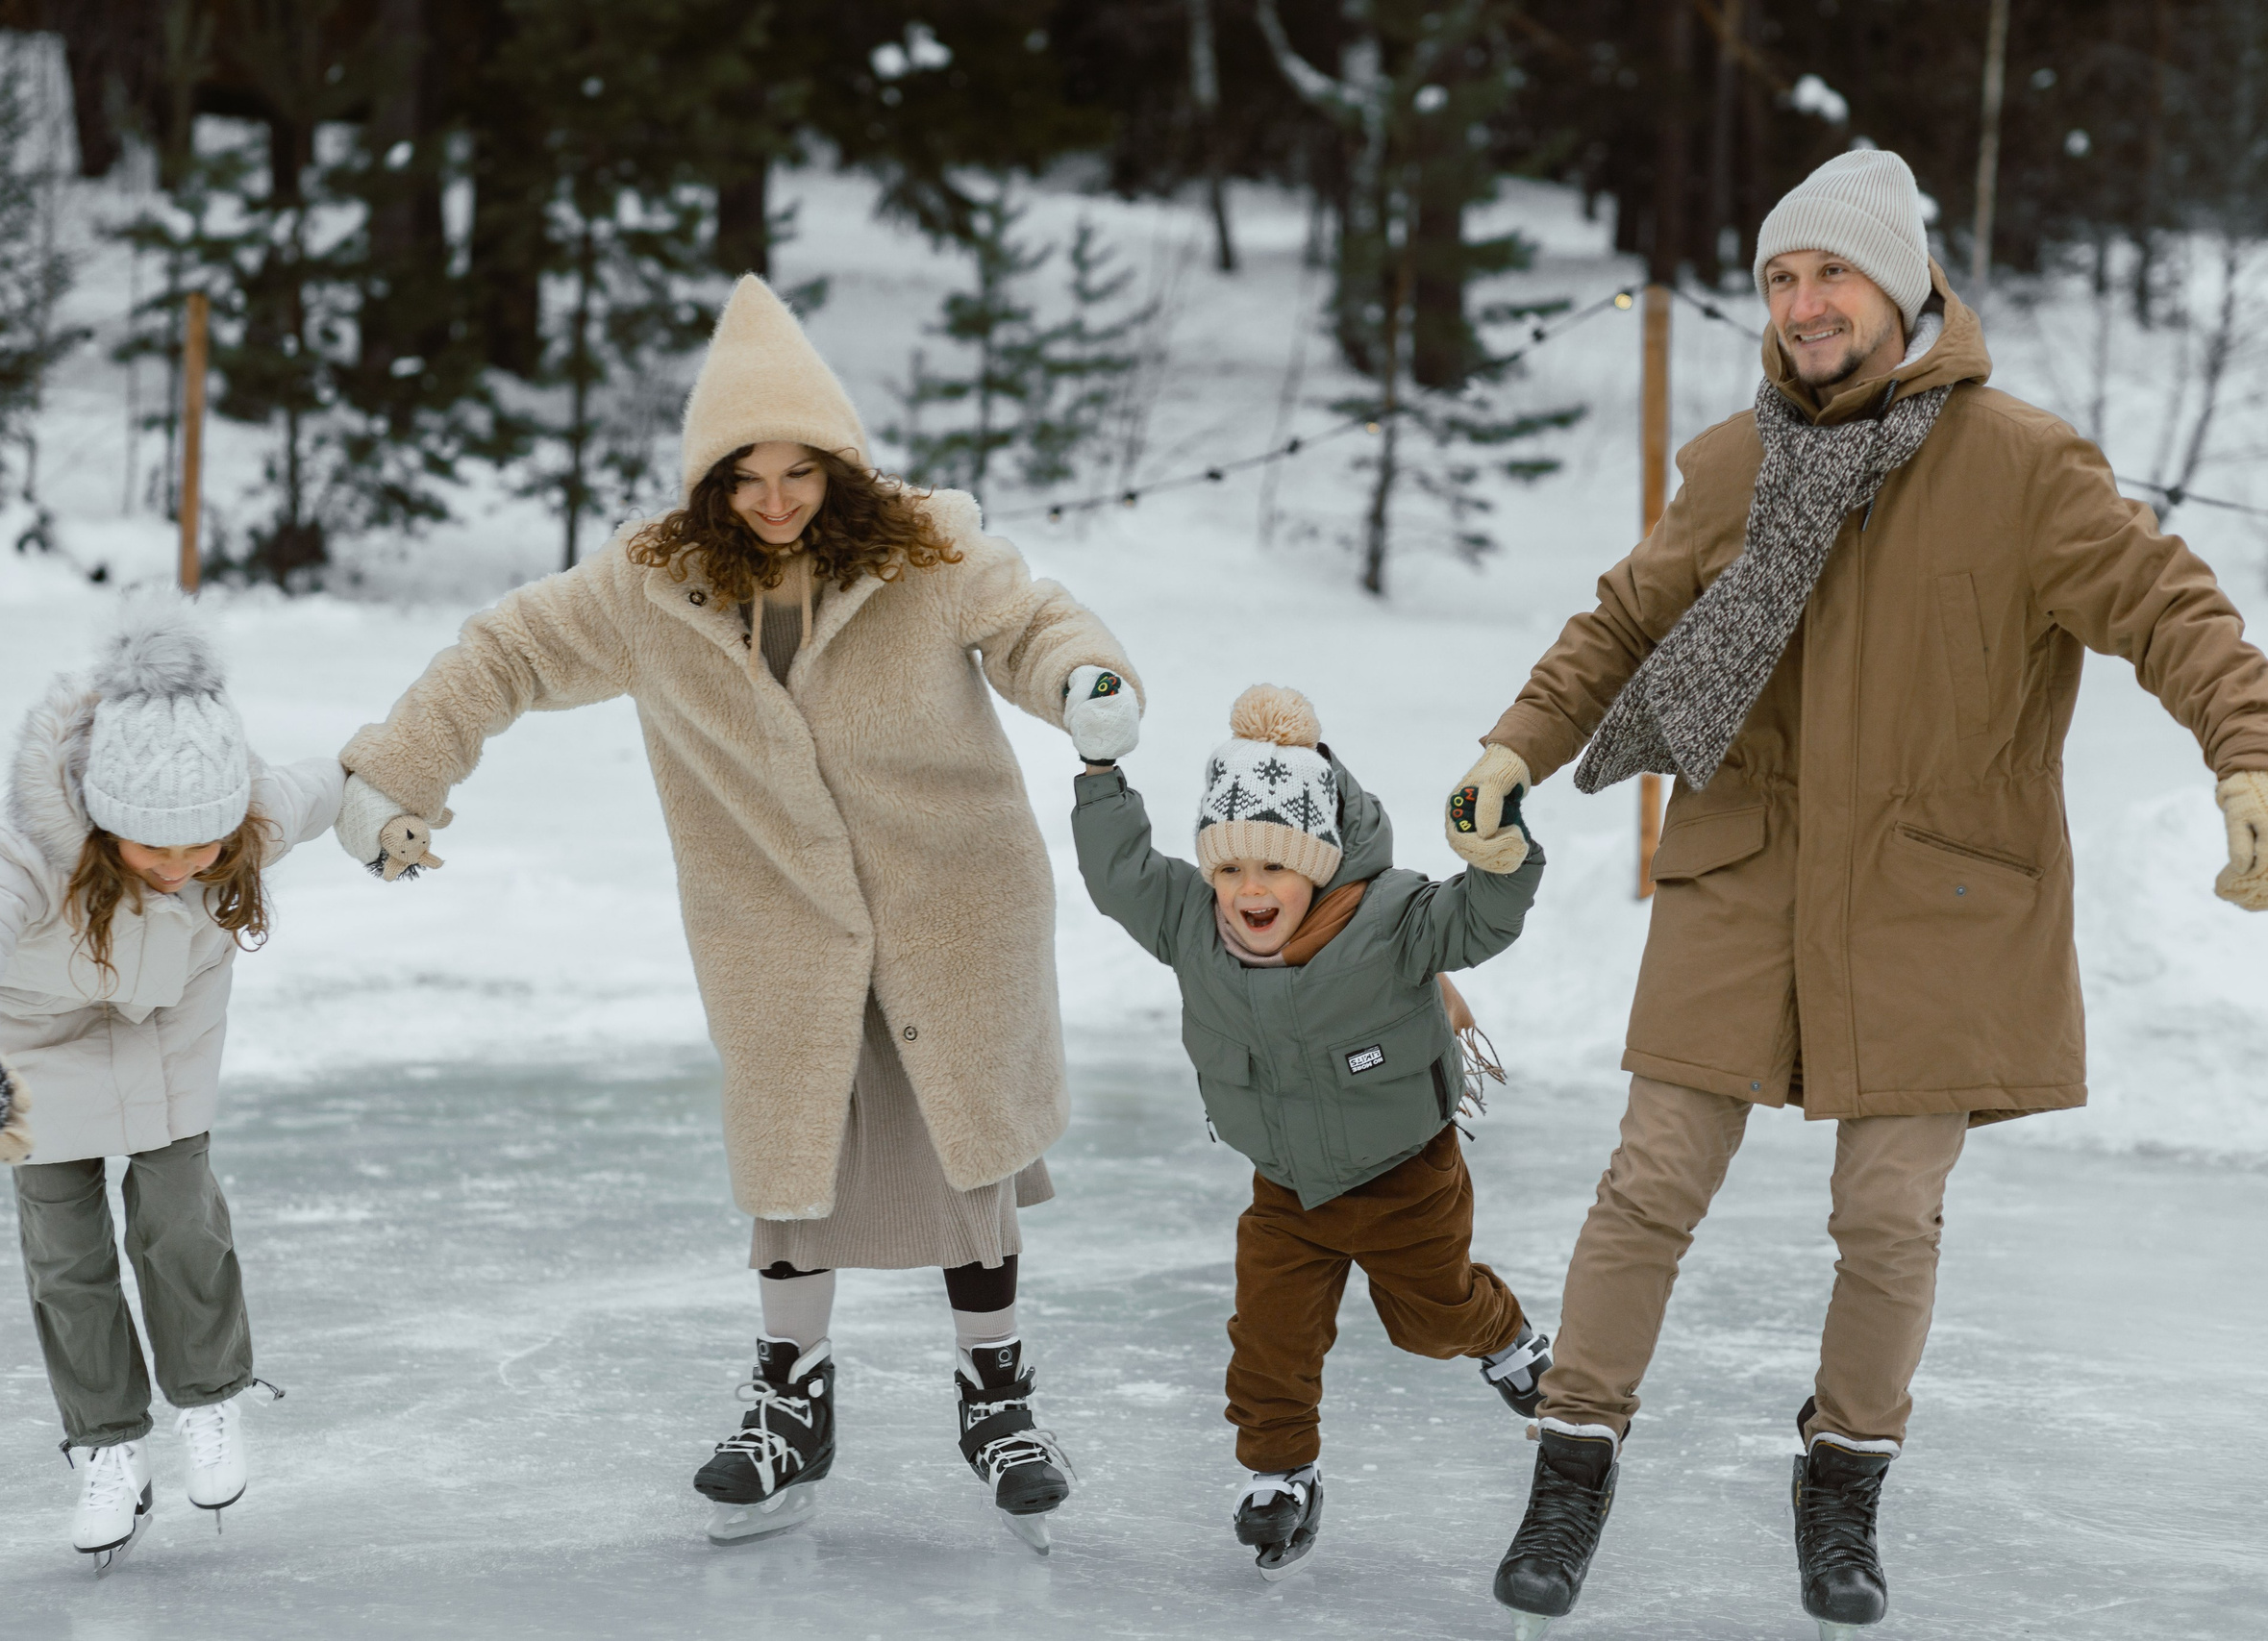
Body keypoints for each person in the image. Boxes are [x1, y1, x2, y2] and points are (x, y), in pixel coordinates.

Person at [1441, 149, 2268, 1640]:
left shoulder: (2022, 462)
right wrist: (1515, 744)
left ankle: (1844, 1493)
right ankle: (1570, 1472)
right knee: (1649, 1181)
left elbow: (2172, 607)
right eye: (1779, 276)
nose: (1803, 302)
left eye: (1831, 273)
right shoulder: (1736, 463)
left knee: (1888, 1214)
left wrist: (2246, 756)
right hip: (1744, 866)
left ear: (1901, 286)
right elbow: (1627, 617)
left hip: (1933, 895)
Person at [332, 275, 1144, 1553]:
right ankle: (787, 1404)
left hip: (953, 900)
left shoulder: (927, 552)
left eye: (801, 474)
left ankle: (998, 1396)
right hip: (777, 926)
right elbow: (500, 655)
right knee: (792, 1154)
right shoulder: (649, 590)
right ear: (708, 481)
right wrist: (400, 771)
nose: (776, 502)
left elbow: (1033, 620)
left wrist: (1089, 678)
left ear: (842, 467)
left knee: (962, 1144)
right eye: (746, 478)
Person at [1070, 684, 1552, 1579]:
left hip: (1407, 1178)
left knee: (1431, 1319)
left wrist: (1503, 857)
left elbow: (1479, 920)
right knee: (1269, 1338)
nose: (1248, 891)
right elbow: (1122, 875)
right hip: (1288, 1188)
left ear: (1320, 864)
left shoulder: (1391, 921)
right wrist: (1100, 773)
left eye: (1274, 867)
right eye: (1228, 869)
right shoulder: (1191, 928)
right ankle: (1279, 1473)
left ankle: (1507, 1337)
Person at [0, 603, 348, 1575]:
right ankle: (107, 1445)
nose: (185, 867)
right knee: (65, 1257)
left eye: (206, 850)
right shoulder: (29, 843)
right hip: (40, 1044)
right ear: (106, 823)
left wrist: (391, 810)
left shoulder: (239, 813)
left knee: (179, 1220)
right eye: (157, 851)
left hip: (169, 1032)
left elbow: (337, 782)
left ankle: (210, 1400)